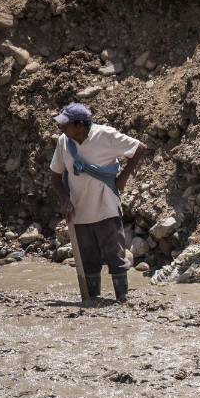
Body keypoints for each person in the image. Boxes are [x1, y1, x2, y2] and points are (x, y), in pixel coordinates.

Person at [49, 103, 149, 303]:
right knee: (88, 259)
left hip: (106, 207)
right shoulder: (63, 142)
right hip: (79, 211)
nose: (61, 129)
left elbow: (139, 148)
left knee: (115, 255)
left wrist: (123, 178)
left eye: (65, 125)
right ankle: (92, 298)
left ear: (80, 125)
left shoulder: (105, 136)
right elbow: (55, 176)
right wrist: (64, 199)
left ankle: (122, 298)